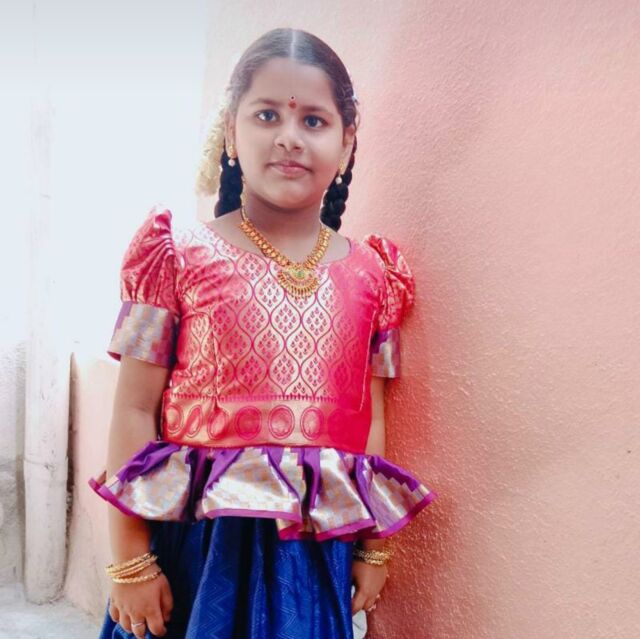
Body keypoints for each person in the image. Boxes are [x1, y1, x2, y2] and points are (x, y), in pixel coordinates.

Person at [89, 27, 438, 639]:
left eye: (314, 121)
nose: (289, 137)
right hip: (200, 551)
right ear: (231, 131)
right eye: (267, 114)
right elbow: (136, 409)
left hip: (310, 557)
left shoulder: (373, 276)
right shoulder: (176, 255)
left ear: (347, 142)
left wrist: (374, 546)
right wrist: (130, 559)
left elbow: (372, 420)